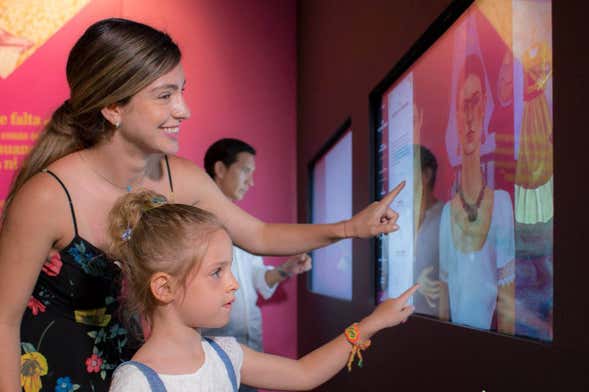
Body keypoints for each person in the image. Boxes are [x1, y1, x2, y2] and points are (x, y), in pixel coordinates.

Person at [0, 18, 405, 392]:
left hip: (142, 368)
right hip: (58, 376)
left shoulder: (180, 177)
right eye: (165, 95)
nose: (184, 110)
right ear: (113, 108)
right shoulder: (48, 197)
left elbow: (258, 234)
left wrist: (351, 228)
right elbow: (3, 320)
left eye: (182, 90)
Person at [107, 190, 418, 392]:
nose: (234, 283)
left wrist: (373, 323)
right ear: (164, 287)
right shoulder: (136, 383)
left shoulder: (225, 355)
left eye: (229, 268)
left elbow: (303, 374)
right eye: (217, 272)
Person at [201, 138, 312, 392]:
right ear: (220, 170)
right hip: (212, 353)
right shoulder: (194, 225)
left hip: (251, 354)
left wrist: (286, 270)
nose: (251, 182)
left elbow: (254, 280)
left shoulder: (244, 225)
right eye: (245, 171)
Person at [438, 54, 515, 333]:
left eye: (475, 102)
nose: (469, 116)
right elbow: (444, 312)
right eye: (463, 106)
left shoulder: (502, 206)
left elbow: (507, 314)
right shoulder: (447, 214)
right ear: (456, 116)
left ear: (484, 105)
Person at [413, 145, 444, 316]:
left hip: (433, 327)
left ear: (426, 175)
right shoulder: (394, 220)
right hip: (394, 325)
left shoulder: (447, 218)